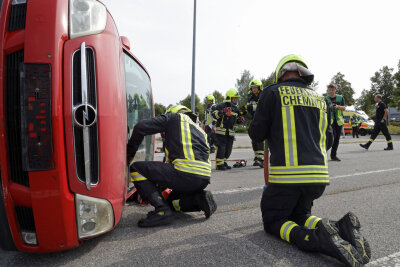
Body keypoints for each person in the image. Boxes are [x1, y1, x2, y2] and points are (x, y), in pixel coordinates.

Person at [249, 54, 370, 266]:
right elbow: (330, 139)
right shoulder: (322, 100)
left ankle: (315, 240)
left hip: (286, 179)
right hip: (318, 180)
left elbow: (256, 134)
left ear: (281, 73)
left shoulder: (272, 92)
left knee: (273, 221)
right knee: (299, 215)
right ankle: (340, 228)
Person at [127, 105, 217, 227]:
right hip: (203, 179)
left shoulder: (174, 118)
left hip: (185, 173)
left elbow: (140, 127)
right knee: (170, 202)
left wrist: (128, 156)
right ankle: (198, 199)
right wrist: (155, 191)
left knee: (136, 168)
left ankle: (161, 211)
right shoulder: (200, 132)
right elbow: (166, 170)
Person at [213, 88, 244, 170]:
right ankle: (219, 164)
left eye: (236, 98)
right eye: (234, 98)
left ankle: (224, 161)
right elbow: (214, 115)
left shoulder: (235, 109)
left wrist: (240, 120)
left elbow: (236, 120)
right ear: (229, 98)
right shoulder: (220, 106)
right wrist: (222, 112)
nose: (235, 100)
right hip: (221, 132)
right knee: (221, 148)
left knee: (228, 149)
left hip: (230, 132)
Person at [241, 79, 264, 168]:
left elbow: (260, 107)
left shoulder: (263, 95)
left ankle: (261, 159)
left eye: (255, 88)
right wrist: (243, 112)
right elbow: (248, 109)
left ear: (259, 88)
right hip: (254, 120)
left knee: (260, 139)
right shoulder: (250, 98)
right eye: (252, 88)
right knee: (254, 138)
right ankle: (257, 157)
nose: (254, 89)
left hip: (262, 119)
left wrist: (249, 107)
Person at [325, 84, 346, 161]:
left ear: (335, 90)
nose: (331, 91)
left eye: (332, 89)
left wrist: (337, 107)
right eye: (330, 89)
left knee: (337, 138)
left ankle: (333, 155)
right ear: (328, 90)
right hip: (329, 121)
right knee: (331, 137)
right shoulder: (325, 98)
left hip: (339, 121)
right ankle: (323, 153)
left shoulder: (340, 98)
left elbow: (344, 108)